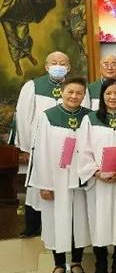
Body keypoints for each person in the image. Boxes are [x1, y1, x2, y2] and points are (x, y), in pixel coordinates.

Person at [27, 76, 91, 273]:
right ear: (62, 92)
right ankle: (58, 265)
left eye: (79, 93)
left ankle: (77, 262)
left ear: (84, 95)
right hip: (55, 178)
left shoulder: (90, 117)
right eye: (70, 92)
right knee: (57, 220)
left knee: (79, 221)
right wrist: (45, 184)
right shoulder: (48, 117)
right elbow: (41, 152)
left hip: (81, 179)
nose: (74, 96)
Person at [77, 78, 116, 273]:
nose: (113, 97)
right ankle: (100, 265)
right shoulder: (91, 119)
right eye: (108, 93)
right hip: (98, 181)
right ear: (102, 96)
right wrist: (96, 172)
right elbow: (82, 150)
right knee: (98, 221)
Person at [15, 50, 71, 237]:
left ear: (68, 67)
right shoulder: (33, 86)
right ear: (46, 66)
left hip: (66, 148)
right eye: (54, 63)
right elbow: (23, 116)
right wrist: (26, 146)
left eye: (62, 63)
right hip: (40, 146)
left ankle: (63, 225)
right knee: (37, 186)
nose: (58, 66)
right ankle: (32, 226)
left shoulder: (75, 88)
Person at [0, 0, 57, 75]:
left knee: (23, 37)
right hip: (7, 17)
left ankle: (27, 54)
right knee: (12, 40)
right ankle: (17, 64)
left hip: (22, 17)